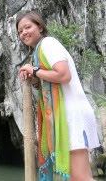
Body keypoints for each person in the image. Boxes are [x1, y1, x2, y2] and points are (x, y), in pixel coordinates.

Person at [16, 11, 100, 181]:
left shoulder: (48, 44)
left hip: (71, 116)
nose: (24, 32)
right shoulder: (38, 53)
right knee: (75, 177)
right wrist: (34, 78)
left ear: (39, 27)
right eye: (20, 31)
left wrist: (35, 70)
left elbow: (63, 75)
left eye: (28, 27)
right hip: (68, 115)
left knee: (80, 178)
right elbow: (51, 78)